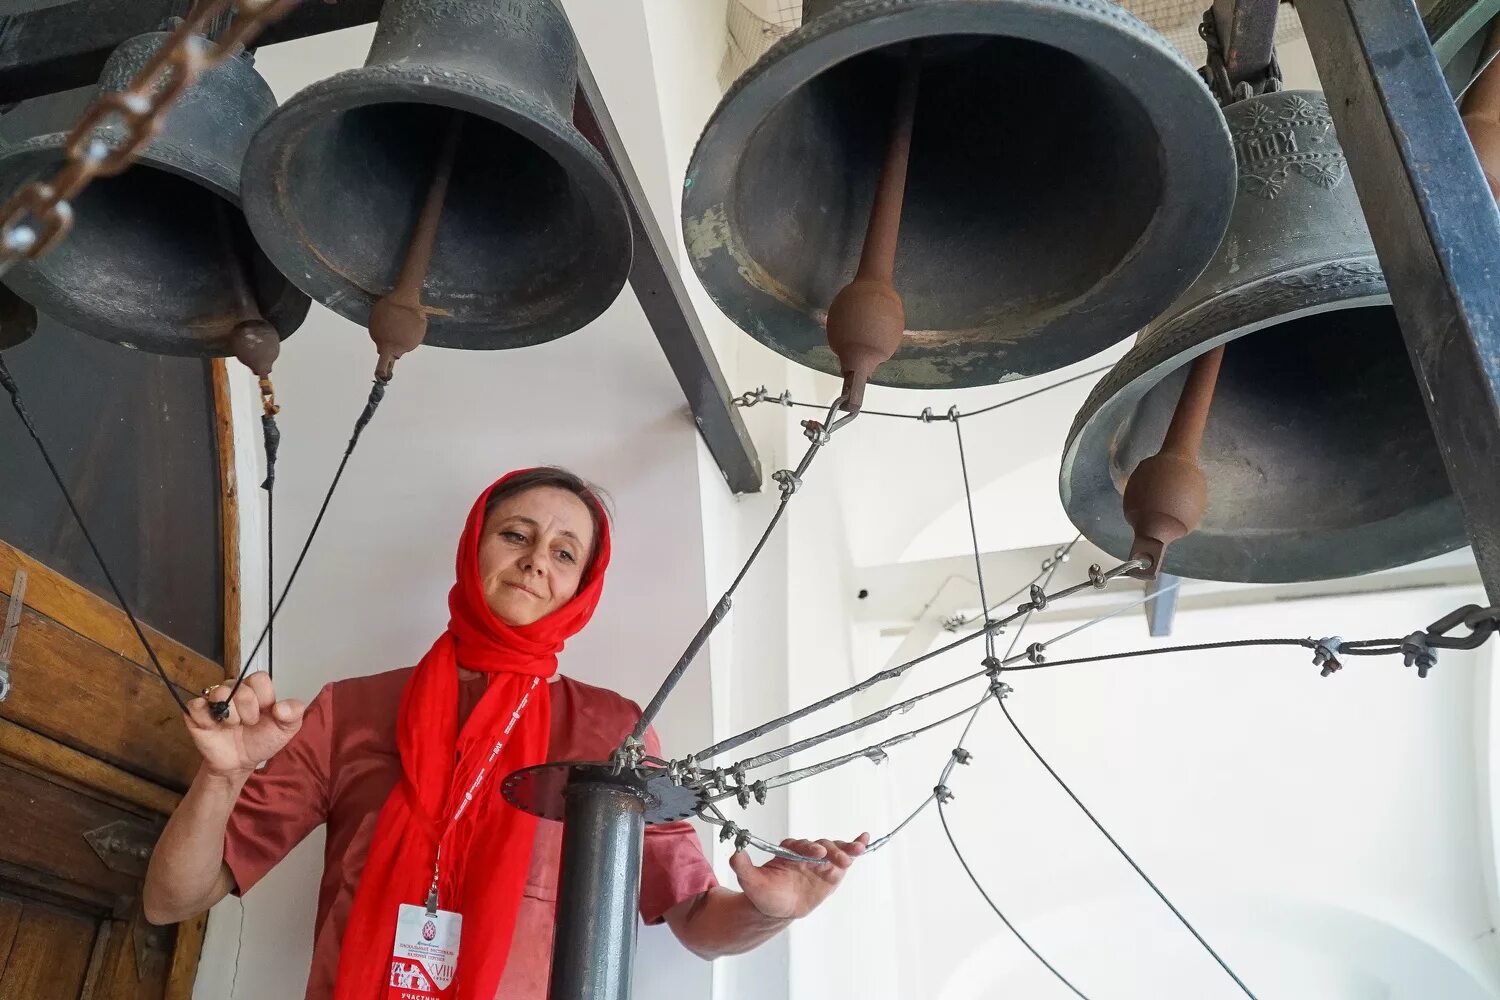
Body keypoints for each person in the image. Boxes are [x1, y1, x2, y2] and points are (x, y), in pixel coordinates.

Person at [142, 467, 867, 1000]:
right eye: (517, 534)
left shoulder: (614, 734)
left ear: (583, 585)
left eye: (563, 552)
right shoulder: (351, 710)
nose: (534, 561)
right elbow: (171, 900)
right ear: (475, 548)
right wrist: (222, 776)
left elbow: (696, 920)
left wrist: (769, 914)